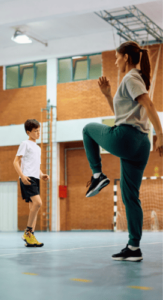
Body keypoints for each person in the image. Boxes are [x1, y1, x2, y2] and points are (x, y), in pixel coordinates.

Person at [83, 41, 163, 262]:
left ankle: (97, 175)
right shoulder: (134, 80)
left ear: (126, 57)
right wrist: (108, 95)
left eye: (117, 57)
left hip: (127, 138)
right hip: (140, 145)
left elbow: (149, 103)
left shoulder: (131, 78)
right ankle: (134, 247)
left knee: (88, 129)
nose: (116, 61)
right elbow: (121, 117)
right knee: (130, 197)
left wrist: (161, 134)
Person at [13, 119, 49, 247]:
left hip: (35, 178)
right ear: (28, 132)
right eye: (35, 131)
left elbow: (34, 165)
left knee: (33, 208)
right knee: (38, 203)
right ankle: (28, 232)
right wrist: (22, 176)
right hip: (27, 178)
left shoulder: (38, 148)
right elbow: (16, 162)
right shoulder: (25, 144)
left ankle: (30, 238)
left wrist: (41, 174)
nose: (38, 133)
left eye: (39, 130)